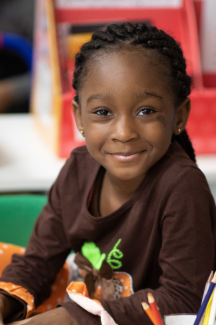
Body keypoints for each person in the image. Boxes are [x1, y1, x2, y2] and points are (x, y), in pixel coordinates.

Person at [0, 22, 216, 325]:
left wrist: (71, 319)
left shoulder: (182, 188)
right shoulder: (78, 168)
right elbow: (37, 263)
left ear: (179, 116)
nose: (124, 133)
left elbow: (185, 299)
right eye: (103, 112)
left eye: (146, 111)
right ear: (80, 118)